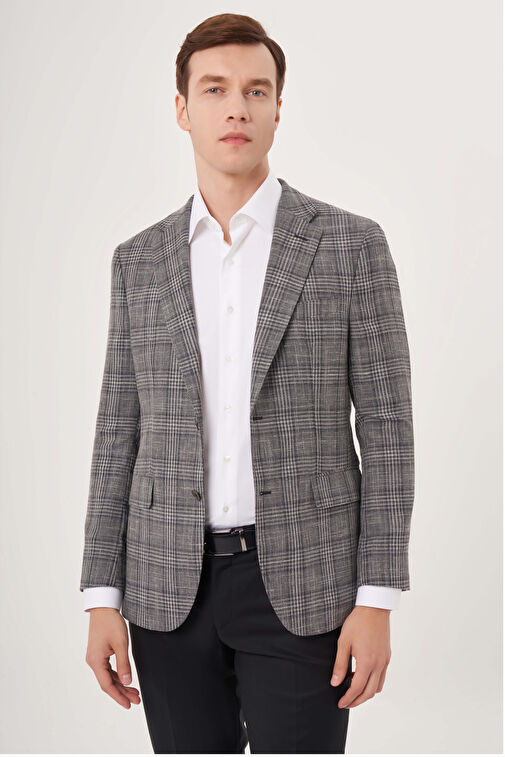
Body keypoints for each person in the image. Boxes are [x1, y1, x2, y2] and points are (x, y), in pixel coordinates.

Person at [80, 12, 415, 754]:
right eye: (215, 89)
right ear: (182, 109)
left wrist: (377, 596)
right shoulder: (139, 260)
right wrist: (102, 594)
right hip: (165, 585)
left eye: (255, 90)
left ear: (277, 108)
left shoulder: (350, 246)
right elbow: (117, 431)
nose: (236, 107)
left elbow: (388, 429)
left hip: (305, 578)